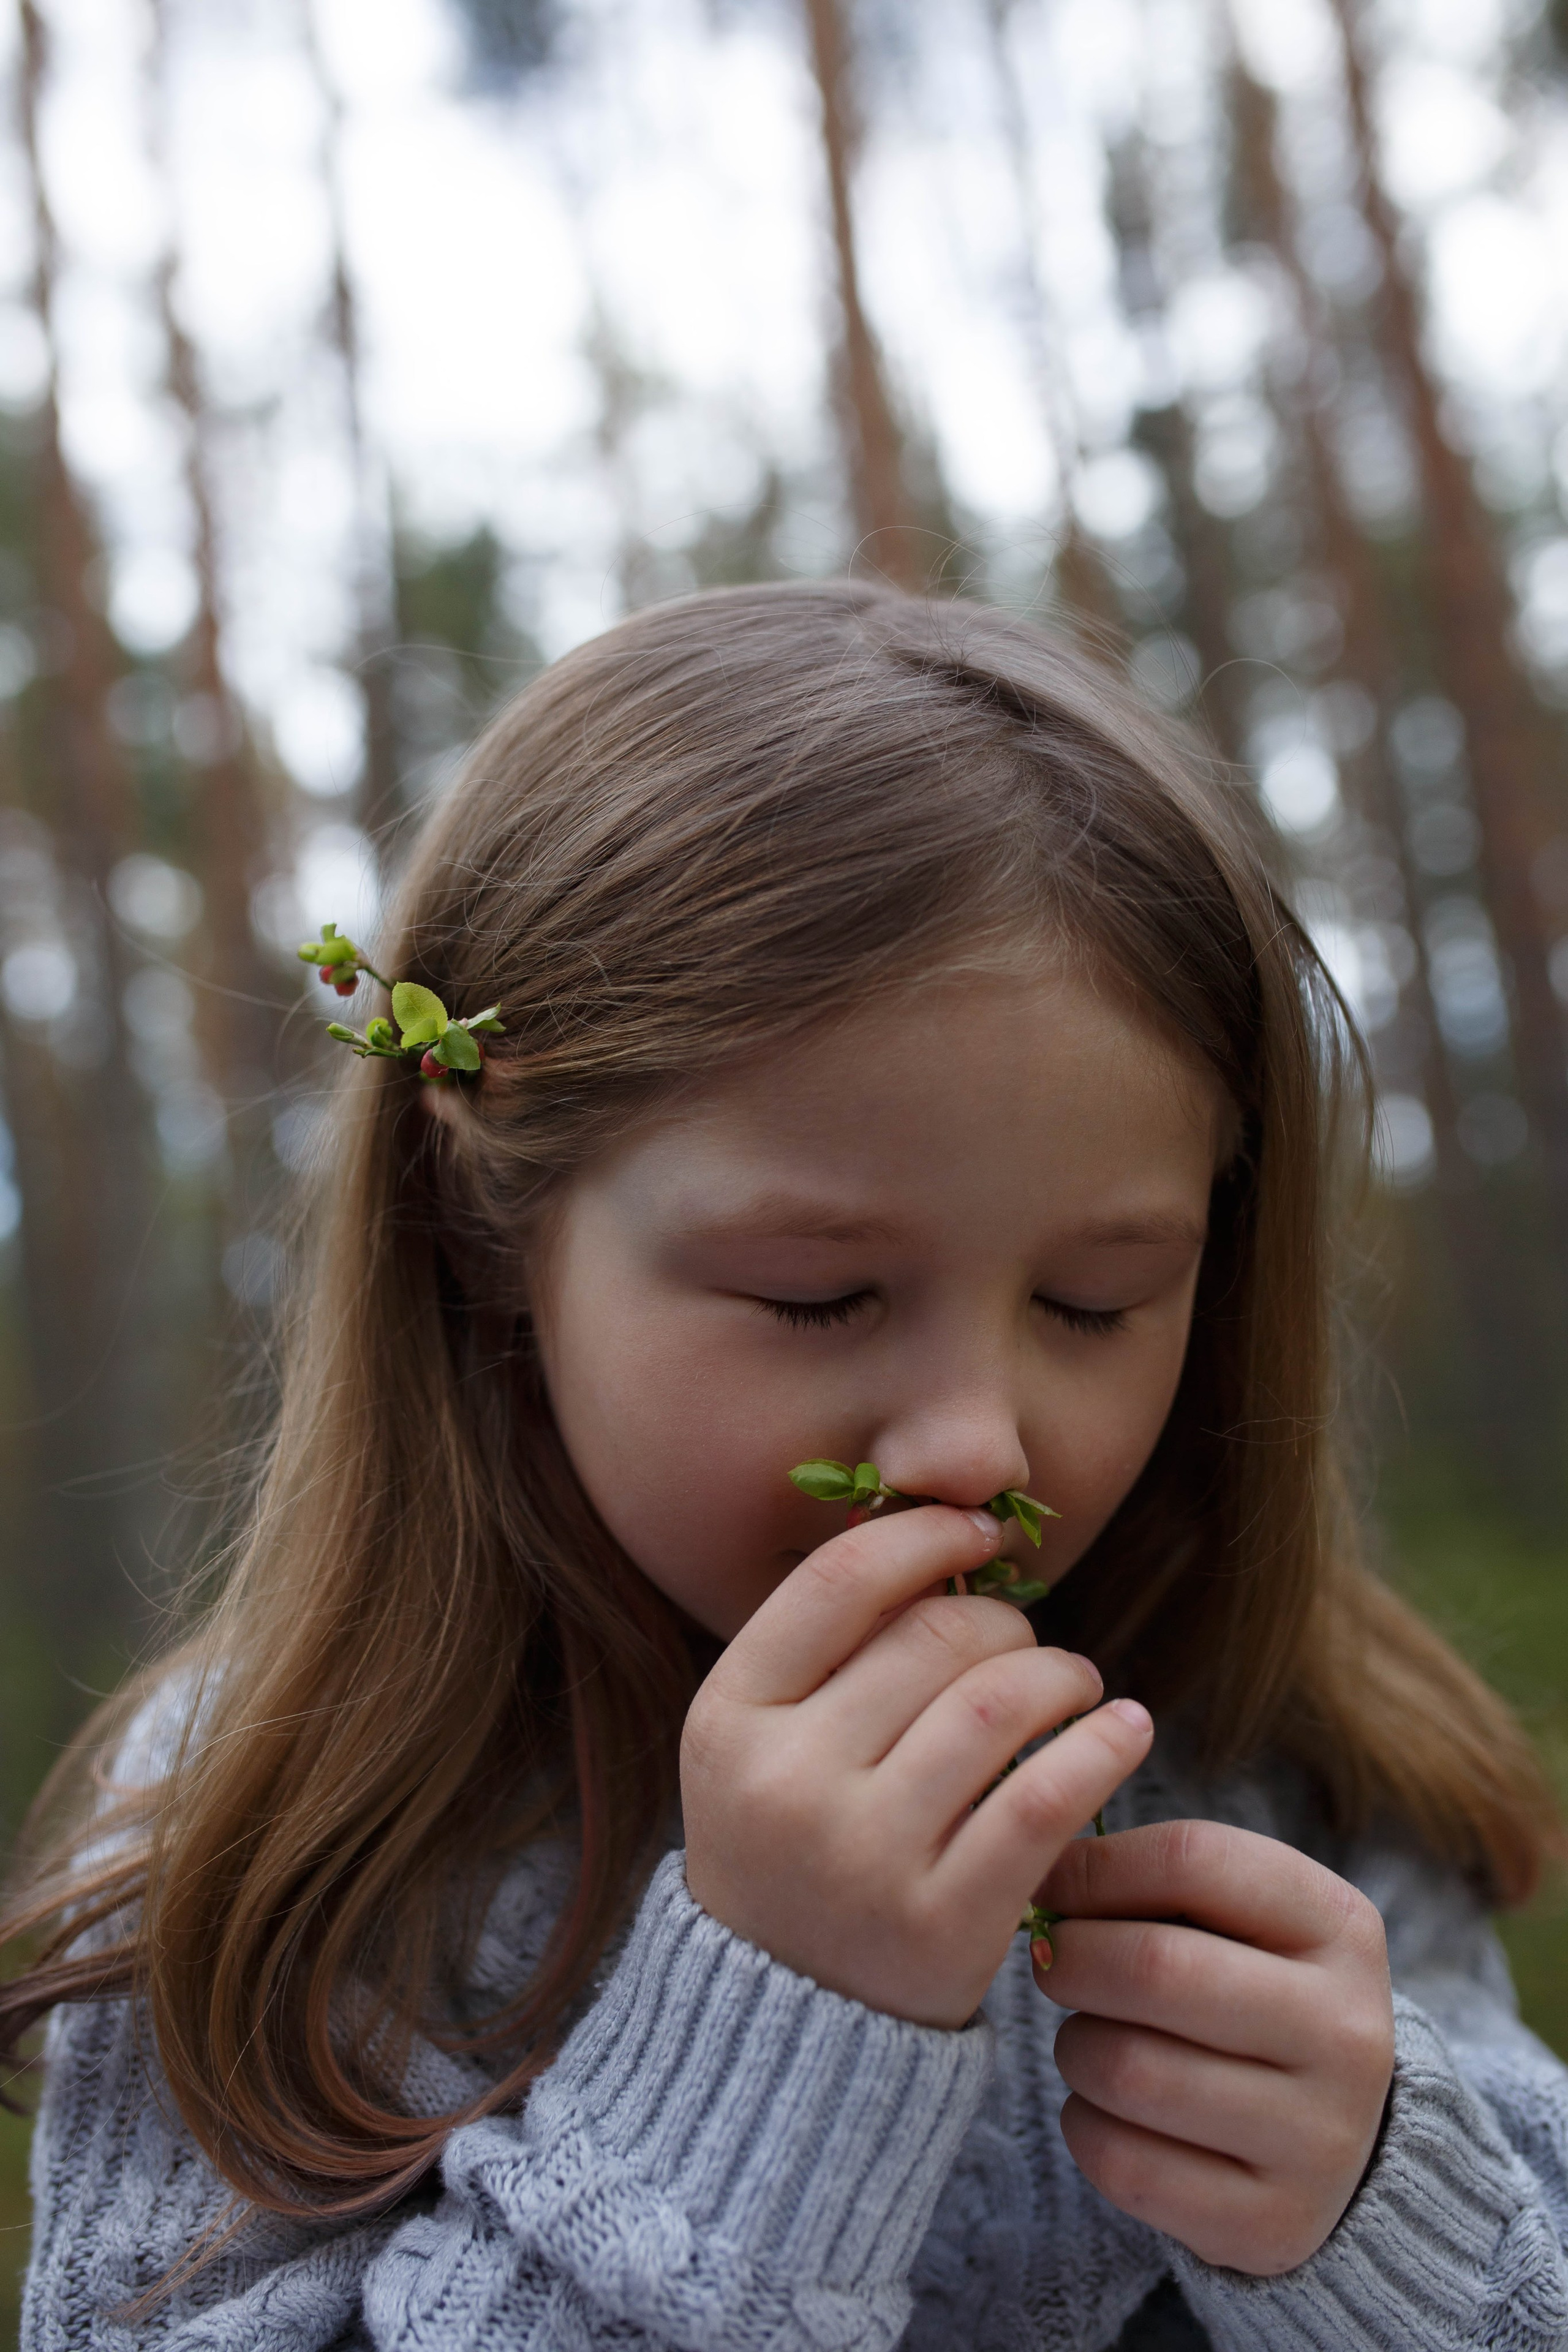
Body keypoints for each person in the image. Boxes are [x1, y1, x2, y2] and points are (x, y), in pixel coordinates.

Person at [4, 582, 1565, 2352]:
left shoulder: (1288, 1762)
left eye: (1093, 1298)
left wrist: (1382, 2211)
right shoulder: (287, 1834)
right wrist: (762, 2054)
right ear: (483, 1234)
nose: (978, 1436)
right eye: (820, 1298)